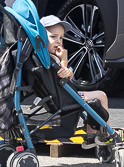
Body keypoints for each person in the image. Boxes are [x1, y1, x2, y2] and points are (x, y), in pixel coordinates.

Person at [42, 15, 109, 146]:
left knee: (95, 99)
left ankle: (92, 135)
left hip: (58, 97)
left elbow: (66, 76)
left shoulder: (46, 57)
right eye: (53, 37)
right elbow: (64, 78)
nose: (58, 41)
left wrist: (64, 64)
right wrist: (64, 61)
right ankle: (105, 135)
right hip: (63, 99)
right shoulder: (48, 60)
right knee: (101, 96)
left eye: (61, 38)